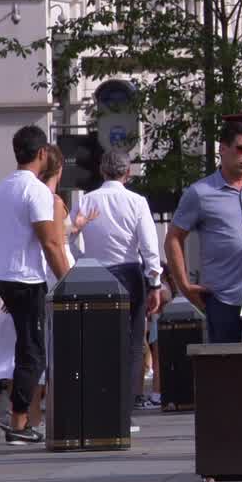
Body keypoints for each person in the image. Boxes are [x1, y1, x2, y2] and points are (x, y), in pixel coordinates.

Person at [66, 149, 164, 414]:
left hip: (96, 274)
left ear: (102, 170)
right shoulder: (136, 201)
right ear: (127, 172)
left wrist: (81, 259)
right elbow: (149, 246)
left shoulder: (86, 201)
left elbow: (67, 234)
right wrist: (154, 282)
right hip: (130, 272)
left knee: (98, 340)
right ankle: (127, 403)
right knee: (133, 341)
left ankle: (100, 399)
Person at [0, 127, 72, 445]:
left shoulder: (3, 187)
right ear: (42, 153)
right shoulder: (36, 191)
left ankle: (17, 418)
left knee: (19, 348)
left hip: (4, 276)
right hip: (27, 279)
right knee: (33, 353)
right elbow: (51, 244)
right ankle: (18, 421)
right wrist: (71, 283)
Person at [166, 122, 242, 345]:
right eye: (241, 149)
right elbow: (173, 238)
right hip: (223, 298)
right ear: (223, 149)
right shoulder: (200, 193)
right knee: (226, 369)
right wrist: (184, 285)